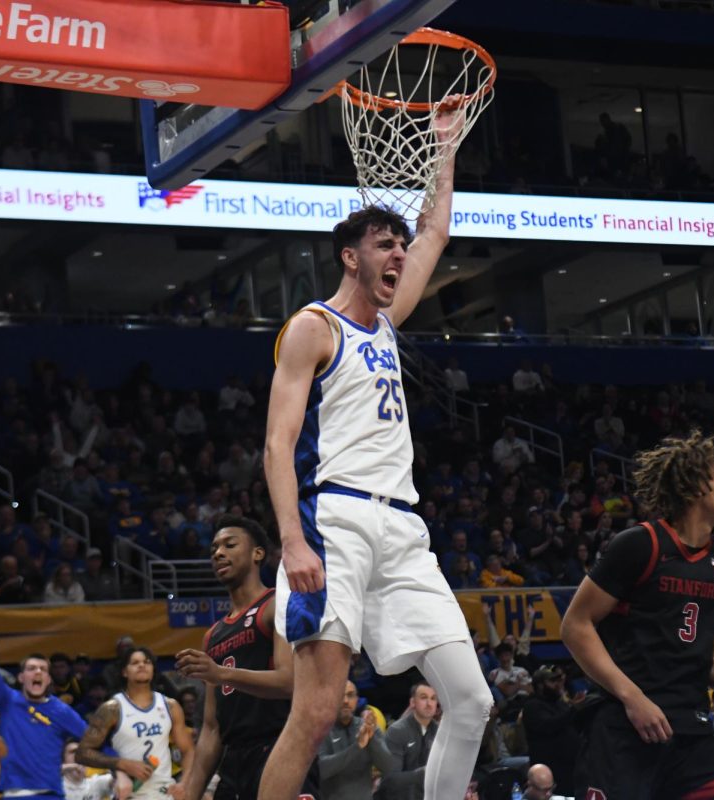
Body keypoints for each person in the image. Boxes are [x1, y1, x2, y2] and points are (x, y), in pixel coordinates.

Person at [259, 103, 491, 800]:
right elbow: (277, 442)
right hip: (336, 527)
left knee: (473, 701)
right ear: (350, 256)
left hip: (403, 530)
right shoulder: (313, 327)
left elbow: (436, 229)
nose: (399, 254)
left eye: (398, 244)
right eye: (383, 244)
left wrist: (445, 146)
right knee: (318, 708)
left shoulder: (387, 324)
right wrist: (292, 541)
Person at [560, 429, 714, 799]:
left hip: (690, 733)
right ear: (698, 486)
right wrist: (633, 698)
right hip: (623, 726)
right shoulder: (640, 544)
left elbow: (713, 655)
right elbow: (575, 625)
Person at [173, 516, 316, 800]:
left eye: (229, 544)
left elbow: (289, 682)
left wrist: (220, 673)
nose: (218, 553)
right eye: (214, 548)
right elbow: (212, 729)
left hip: (279, 748)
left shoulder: (276, 605)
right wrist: (190, 793)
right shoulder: (214, 634)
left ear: (257, 554)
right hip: (233, 762)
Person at [0, 573, 90, 799]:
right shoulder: (7, 701)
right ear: (21, 678)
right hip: (14, 794)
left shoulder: (61, 711)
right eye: (31, 668)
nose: (37, 672)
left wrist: (122, 767)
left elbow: (95, 740)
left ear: (48, 680)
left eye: (43, 670)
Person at [74, 647, 193, 800]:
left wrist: (184, 783)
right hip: (129, 793)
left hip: (164, 793)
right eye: (135, 662)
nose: (142, 665)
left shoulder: (171, 706)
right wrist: (121, 764)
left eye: (146, 662)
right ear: (124, 671)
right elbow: (82, 753)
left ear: (153, 669)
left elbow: (188, 750)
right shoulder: (112, 708)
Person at [317, 680, 396, 800]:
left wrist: (372, 736)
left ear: (357, 700)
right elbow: (322, 770)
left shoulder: (367, 727)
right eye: (340, 695)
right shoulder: (321, 730)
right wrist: (357, 746)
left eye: (350, 695)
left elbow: (390, 767)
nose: (345, 701)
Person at [520, 666, 580, 799]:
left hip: (570, 768)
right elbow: (549, 725)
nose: (558, 685)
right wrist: (574, 709)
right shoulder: (532, 705)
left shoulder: (559, 703)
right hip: (550, 770)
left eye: (559, 681)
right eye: (553, 681)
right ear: (541, 685)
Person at [376, 682, 440, 800]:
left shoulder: (440, 732)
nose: (429, 703)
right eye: (423, 697)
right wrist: (423, 774)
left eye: (433, 698)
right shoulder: (396, 731)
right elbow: (390, 779)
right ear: (412, 702)